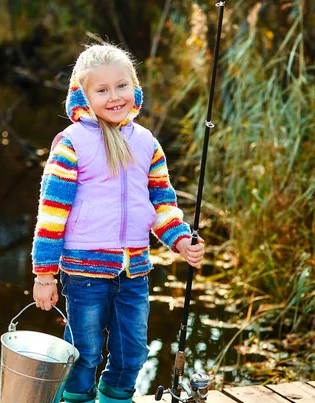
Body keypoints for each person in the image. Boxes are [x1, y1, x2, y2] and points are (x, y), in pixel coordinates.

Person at [31, 43, 205, 403]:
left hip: (134, 272)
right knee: (84, 355)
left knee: (132, 354)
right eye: (102, 89)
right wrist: (44, 275)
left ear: (135, 88)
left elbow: (161, 204)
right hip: (84, 273)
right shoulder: (72, 144)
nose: (114, 96)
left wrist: (181, 240)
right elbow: (51, 215)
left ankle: (116, 397)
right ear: (83, 95)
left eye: (122, 86)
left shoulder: (146, 143)